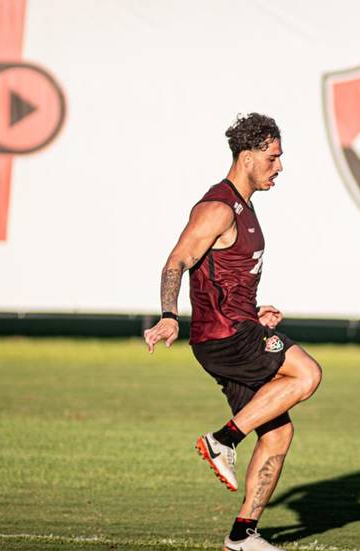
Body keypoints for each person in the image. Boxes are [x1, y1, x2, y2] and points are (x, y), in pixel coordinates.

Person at [144, 113, 322, 551]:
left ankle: (242, 535)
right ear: (247, 157)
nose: (279, 167)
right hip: (223, 337)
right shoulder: (218, 208)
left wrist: (254, 313)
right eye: (273, 158)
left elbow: (222, 280)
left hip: (237, 328)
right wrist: (169, 314)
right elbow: (177, 261)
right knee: (307, 374)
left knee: (278, 433)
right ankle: (222, 440)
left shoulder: (245, 207)